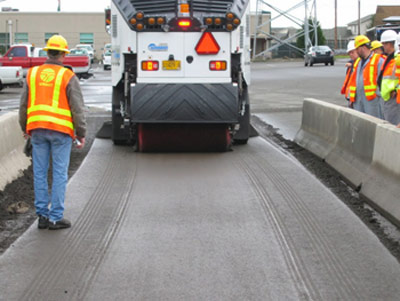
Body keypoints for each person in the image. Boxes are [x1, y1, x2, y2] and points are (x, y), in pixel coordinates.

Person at [19, 35, 87, 230]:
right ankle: (55, 218)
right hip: (61, 132)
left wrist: (25, 128)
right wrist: (81, 132)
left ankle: (42, 216)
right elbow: (77, 108)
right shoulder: (67, 76)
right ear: (64, 54)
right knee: (58, 173)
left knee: (39, 173)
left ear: (47, 52)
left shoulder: (32, 74)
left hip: (38, 130)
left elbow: (23, 105)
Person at [348, 35, 384, 119]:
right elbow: (353, 81)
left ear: (363, 47)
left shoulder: (378, 60)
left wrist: (378, 95)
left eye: (357, 49)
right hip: (359, 101)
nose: (356, 51)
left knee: (374, 122)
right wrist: (351, 97)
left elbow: (383, 81)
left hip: (373, 101)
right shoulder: (358, 62)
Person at [377, 30, 400, 126]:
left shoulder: (396, 59)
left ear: (390, 44)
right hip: (388, 97)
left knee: (393, 126)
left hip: (394, 98)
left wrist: (395, 89)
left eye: (384, 44)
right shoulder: (388, 58)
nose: (383, 46)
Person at [341, 40, 358, 106]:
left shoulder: (362, 64)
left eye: (352, 52)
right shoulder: (350, 65)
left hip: (357, 98)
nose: (351, 54)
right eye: (349, 53)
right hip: (351, 98)